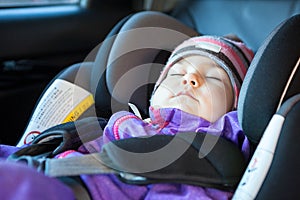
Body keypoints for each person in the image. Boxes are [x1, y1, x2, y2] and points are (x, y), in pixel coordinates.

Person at [0, 35, 254, 200]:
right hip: (42, 167)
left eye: (214, 78)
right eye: (176, 74)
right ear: (155, 97)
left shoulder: (208, 156)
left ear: (235, 105)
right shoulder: (126, 124)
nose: (190, 79)